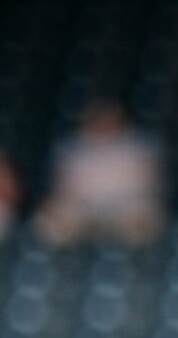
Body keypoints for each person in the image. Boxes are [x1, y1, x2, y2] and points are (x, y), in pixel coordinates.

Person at [33, 100, 165, 247]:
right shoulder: (70, 149)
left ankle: (137, 262)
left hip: (126, 206)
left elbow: (147, 185)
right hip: (84, 208)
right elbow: (63, 189)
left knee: (144, 217)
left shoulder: (140, 147)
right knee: (50, 220)